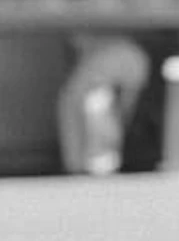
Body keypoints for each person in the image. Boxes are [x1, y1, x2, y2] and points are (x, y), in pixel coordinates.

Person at [56, 33, 150, 176]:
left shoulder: (130, 59)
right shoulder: (77, 91)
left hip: (115, 75)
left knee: (97, 104)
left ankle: (99, 165)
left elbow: (126, 104)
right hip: (94, 87)